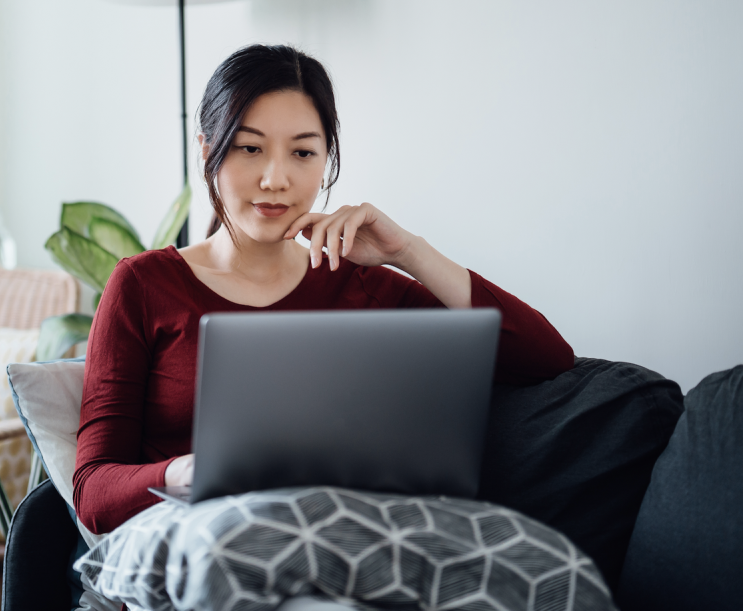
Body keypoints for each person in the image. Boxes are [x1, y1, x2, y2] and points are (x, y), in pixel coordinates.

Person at [74, 44, 574, 535]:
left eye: (303, 152)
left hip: (347, 548)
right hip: (202, 557)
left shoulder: (360, 284)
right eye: (250, 148)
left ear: (326, 159)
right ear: (208, 152)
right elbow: (92, 492)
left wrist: (409, 252)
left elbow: (546, 358)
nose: (276, 179)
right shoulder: (142, 286)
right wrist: (182, 472)